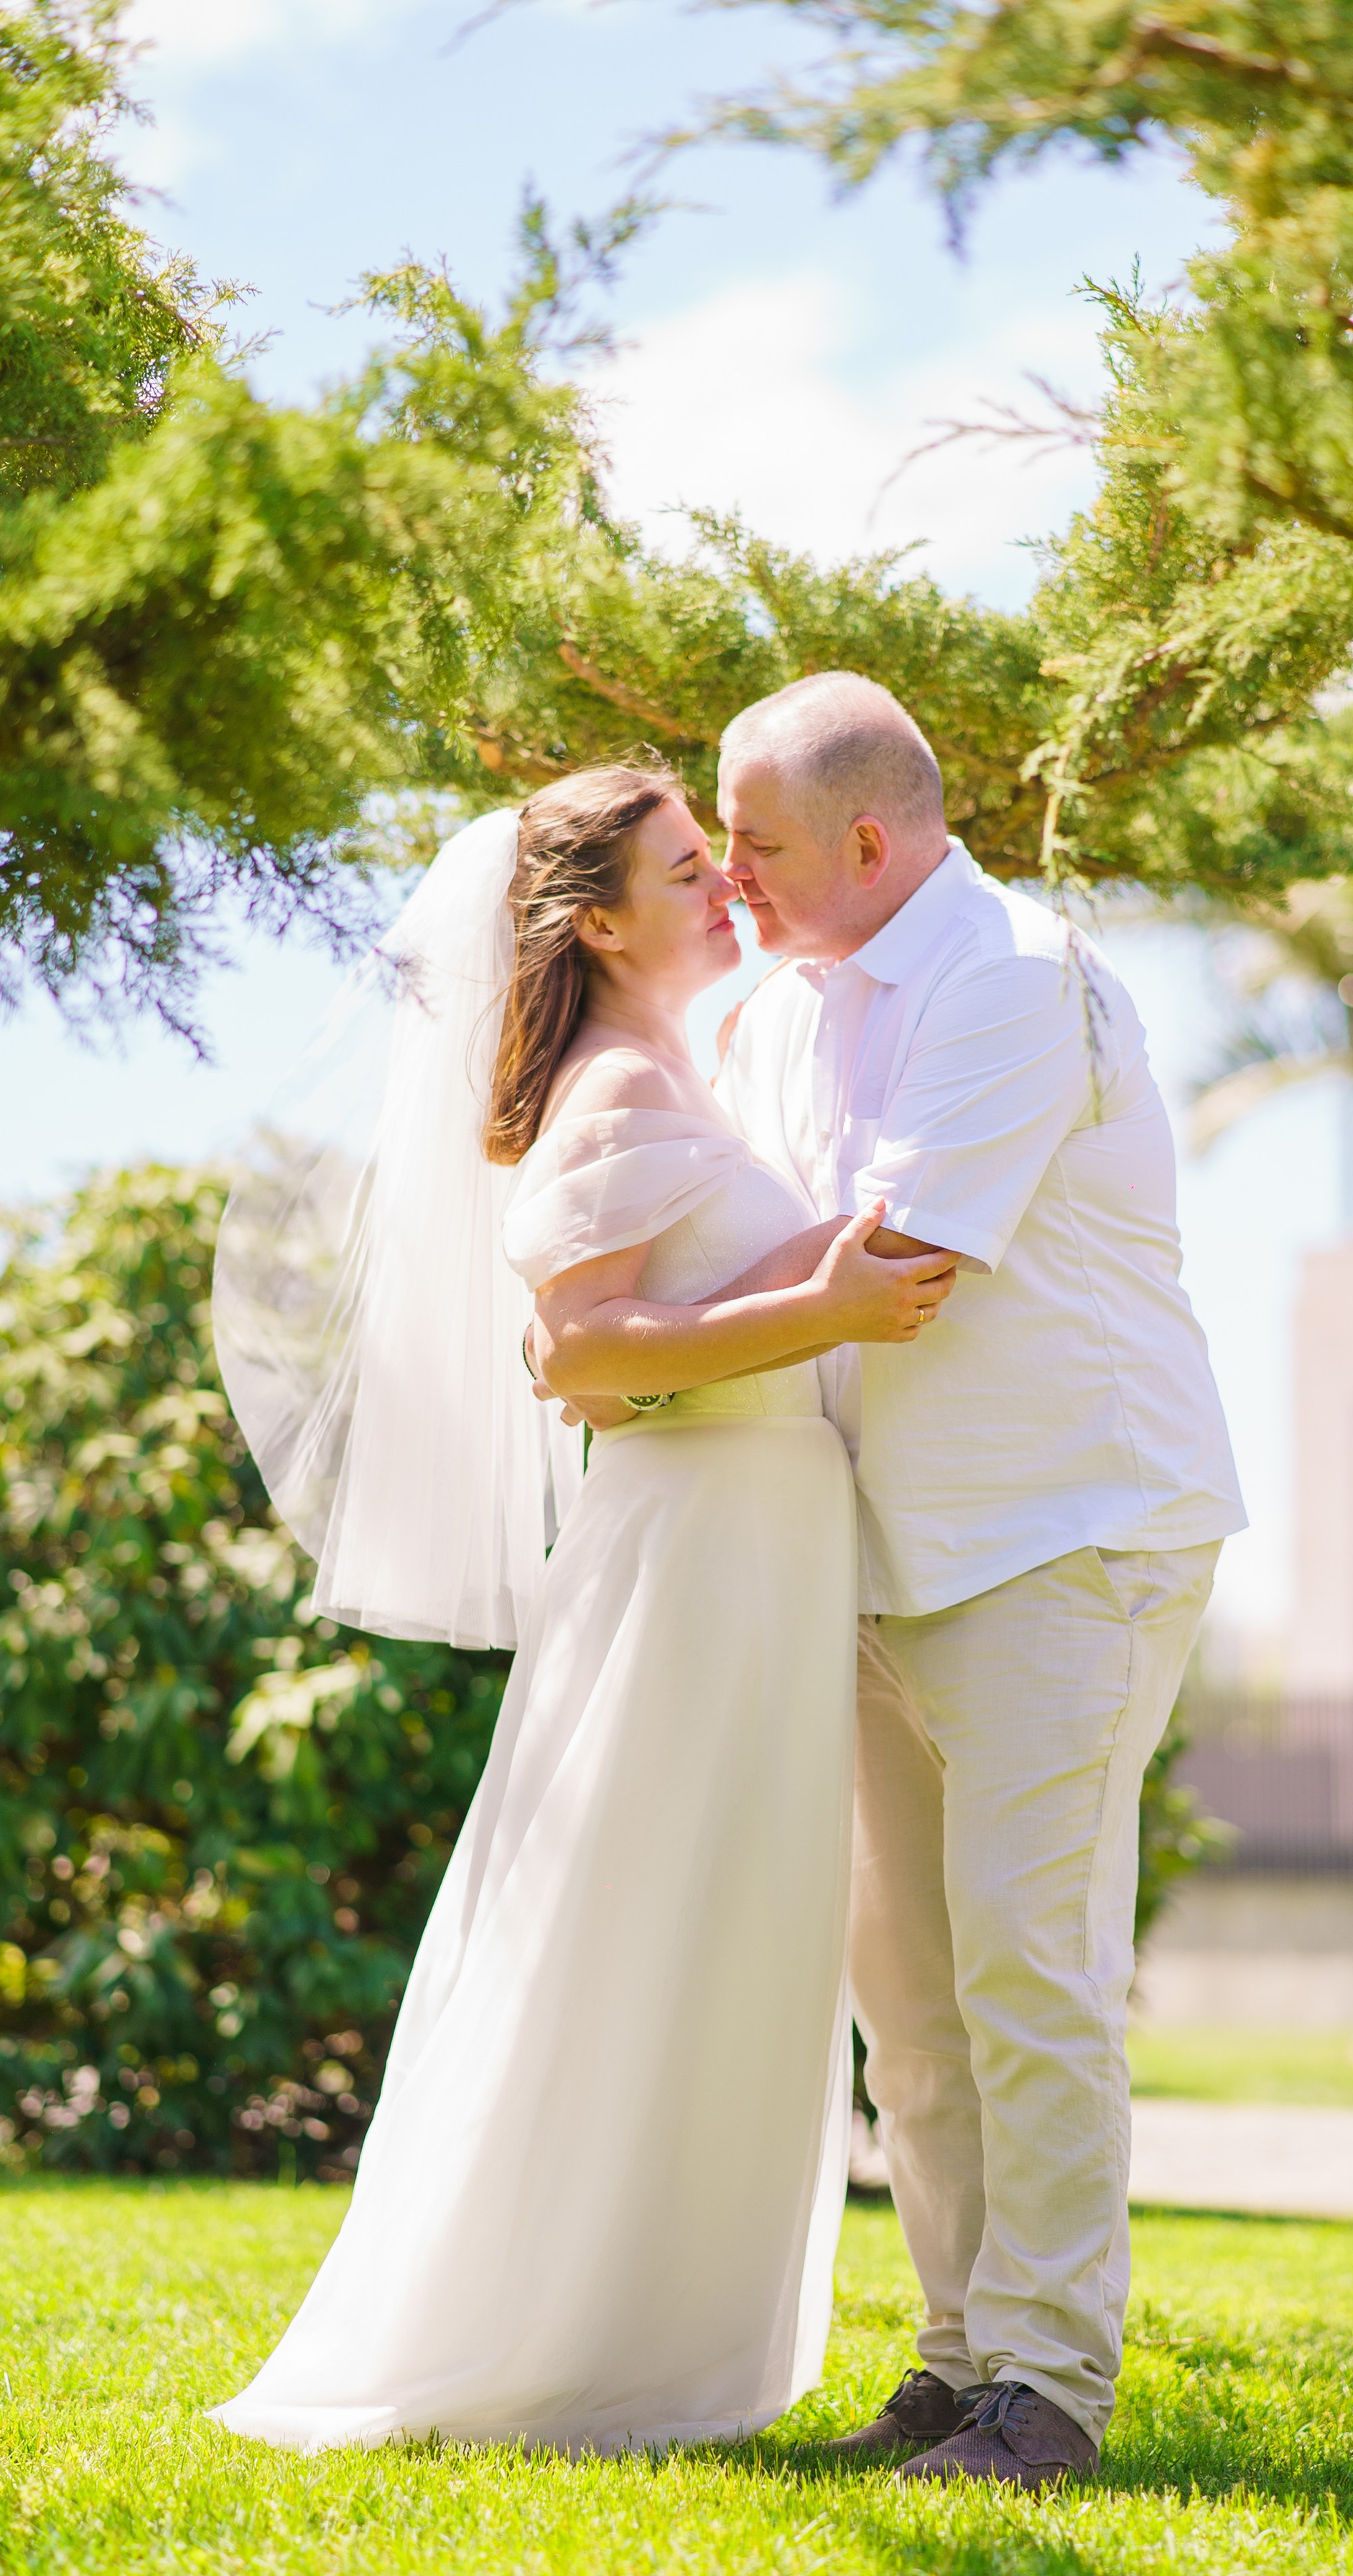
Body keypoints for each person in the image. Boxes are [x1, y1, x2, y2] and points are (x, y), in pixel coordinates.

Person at [207, 764, 954, 2455]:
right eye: (687, 872)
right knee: (636, 1923)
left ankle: (663, 2335)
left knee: (724, 1935)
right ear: (597, 921)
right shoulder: (612, 1090)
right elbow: (592, 1359)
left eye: (716, 861)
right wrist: (823, 1299)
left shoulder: (685, 1075)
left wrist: (802, 1282)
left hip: (767, 1545)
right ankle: (538, 2336)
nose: (723, 891)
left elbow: (679, 1306)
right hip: (694, 1558)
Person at [707, 675, 1247, 2493]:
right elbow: (769, 1244)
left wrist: (636, 1323)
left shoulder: (1014, 975)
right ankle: (953, 2369)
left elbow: (899, 1256)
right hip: (873, 1557)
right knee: (910, 2003)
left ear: (870, 840)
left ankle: (1050, 2391)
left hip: (1062, 1534)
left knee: (1032, 1969)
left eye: (758, 841)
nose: (728, 873)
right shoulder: (782, 1010)